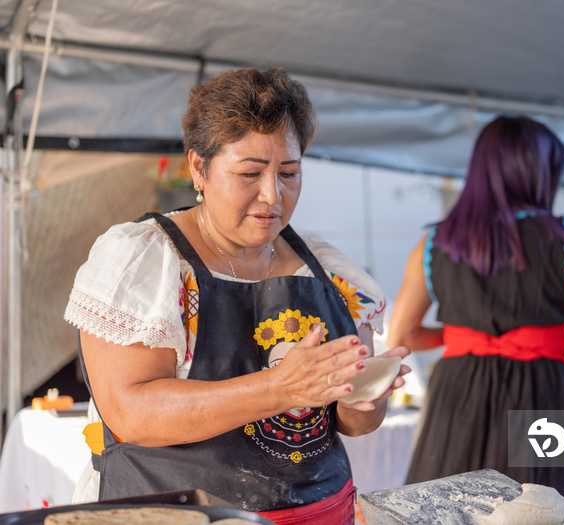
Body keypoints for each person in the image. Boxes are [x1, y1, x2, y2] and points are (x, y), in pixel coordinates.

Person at [64, 67, 410, 525]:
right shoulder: (146, 260)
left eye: (289, 172)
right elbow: (131, 413)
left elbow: (355, 424)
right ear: (199, 168)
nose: (273, 195)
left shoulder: (331, 272)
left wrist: (361, 398)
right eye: (250, 173)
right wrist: (279, 388)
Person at [386, 115, 564, 513]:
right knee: (540, 510)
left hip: (460, 391)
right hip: (542, 396)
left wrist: (460, 336)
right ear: (539, 173)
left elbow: (402, 337)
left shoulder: (437, 241)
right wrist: (539, 337)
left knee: (449, 508)